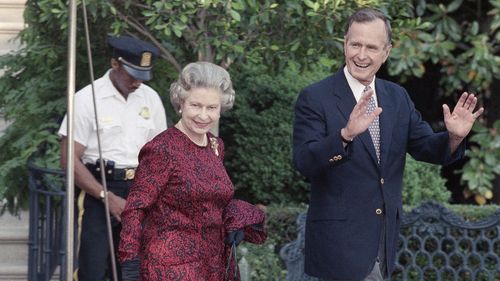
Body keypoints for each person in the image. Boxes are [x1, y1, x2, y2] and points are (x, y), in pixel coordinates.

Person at [292, 7, 484, 281]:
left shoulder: (397, 97)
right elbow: (304, 162)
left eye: (371, 47)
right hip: (337, 248)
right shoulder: (315, 97)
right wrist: (344, 135)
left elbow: (426, 147)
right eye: (355, 44)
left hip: (384, 244)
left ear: (387, 52)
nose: (361, 55)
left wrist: (454, 136)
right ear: (344, 43)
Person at [118, 61, 267, 281]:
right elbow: (135, 209)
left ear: (221, 108)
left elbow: (211, 198)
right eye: (195, 105)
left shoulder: (216, 146)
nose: (203, 115)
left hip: (213, 265)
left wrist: (234, 220)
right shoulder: (162, 149)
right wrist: (130, 264)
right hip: (170, 268)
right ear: (181, 103)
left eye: (211, 108)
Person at [59, 35, 167, 281]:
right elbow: (68, 159)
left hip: (140, 192)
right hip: (97, 189)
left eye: (143, 75)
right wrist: (106, 197)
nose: (137, 81)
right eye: (132, 73)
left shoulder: (150, 99)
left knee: (133, 271)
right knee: (91, 269)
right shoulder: (87, 99)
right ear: (115, 64)